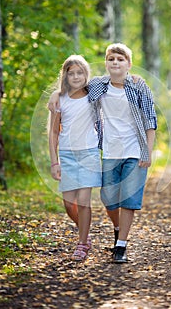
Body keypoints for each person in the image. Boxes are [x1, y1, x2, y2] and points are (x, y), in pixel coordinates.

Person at [48, 43, 157, 263]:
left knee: (128, 198)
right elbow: (74, 86)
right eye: (111, 59)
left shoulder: (139, 86)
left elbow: (150, 120)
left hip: (135, 150)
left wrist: (148, 151)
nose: (115, 63)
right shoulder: (99, 86)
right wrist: (55, 93)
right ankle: (117, 227)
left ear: (129, 64)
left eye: (120, 59)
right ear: (106, 63)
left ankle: (121, 246)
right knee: (108, 199)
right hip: (109, 150)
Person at [48, 55, 102, 261]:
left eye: (80, 72)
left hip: (88, 153)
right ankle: (85, 232)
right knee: (68, 203)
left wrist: (132, 79)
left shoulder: (93, 95)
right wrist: (55, 162)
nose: (76, 76)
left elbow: (112, 81)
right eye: (72, 73)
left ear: (86, 74)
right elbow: (54, 133)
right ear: (66, 76)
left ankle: (82, 243)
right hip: (67, 155)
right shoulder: (60, 100)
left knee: (83, 201)